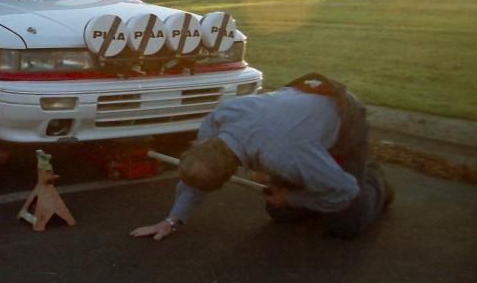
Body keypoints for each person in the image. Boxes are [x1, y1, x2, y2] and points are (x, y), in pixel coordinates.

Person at [130, 73, 393, 240]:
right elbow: (198, 172)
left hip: (345, 117)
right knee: (280, 212)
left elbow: (344, 191)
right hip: (295, 124)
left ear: (231, 174)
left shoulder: (287, 157)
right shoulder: (216, 122)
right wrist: (171, 220)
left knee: (346, 222)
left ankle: (374, 178)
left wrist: (291, 196)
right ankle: (319, 181)